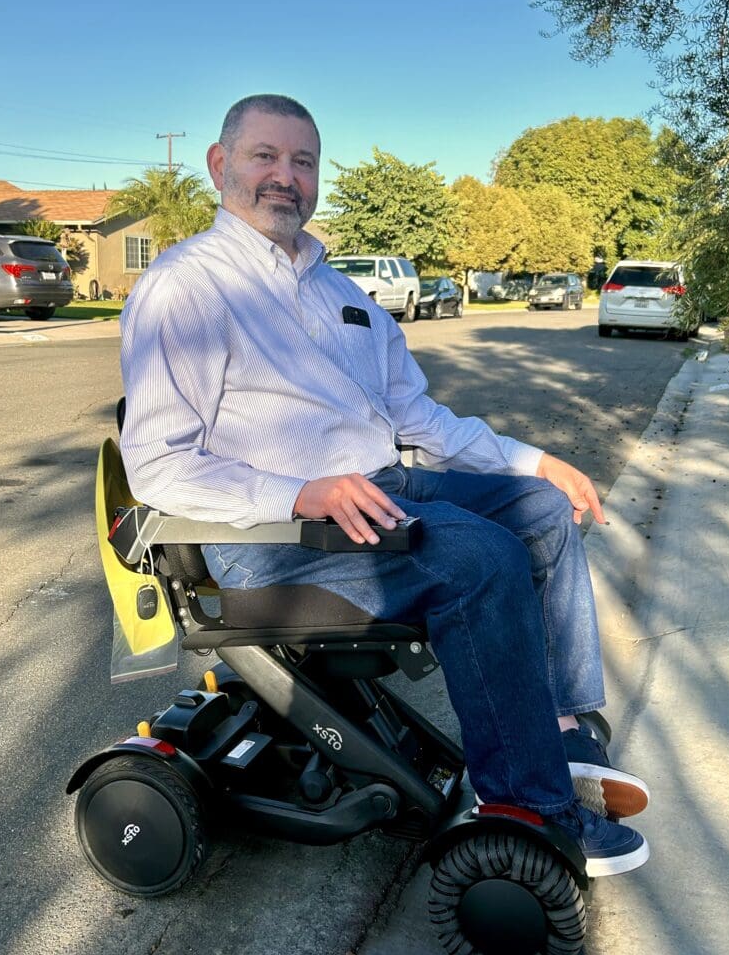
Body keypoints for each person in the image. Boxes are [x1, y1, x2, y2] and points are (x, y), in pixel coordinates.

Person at [119, 94, 650, 878]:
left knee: (541, 511)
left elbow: (417, 416)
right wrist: (300, 493)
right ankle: (529, 807)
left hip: (378, 489)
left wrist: (536, 461)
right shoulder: (186, 289)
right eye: (265, 156)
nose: (285, 178)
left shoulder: (342, 292)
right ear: (220, 164)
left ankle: (562, 732)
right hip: (270, 543)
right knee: (480, 560)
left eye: (303, 162)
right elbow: (158, 466)